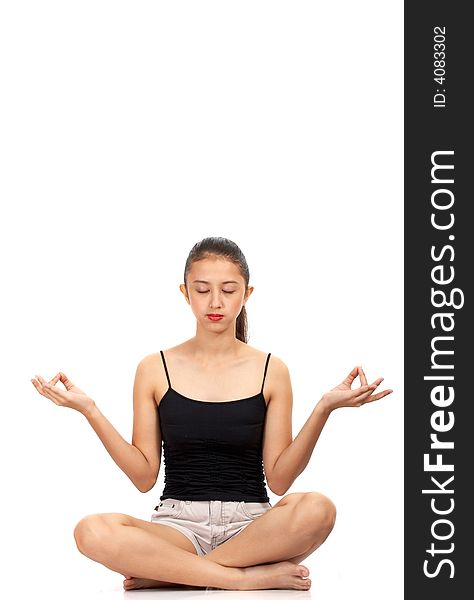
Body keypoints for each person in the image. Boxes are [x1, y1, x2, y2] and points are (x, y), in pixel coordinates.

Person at [31, 236, 393, 592]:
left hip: (252, 528)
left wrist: (324, 409)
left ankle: (174, 574)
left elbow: (279, 481)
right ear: (185, 293)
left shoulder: (272, 370)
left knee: (318, 509)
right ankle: (239, 577)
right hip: (177, 529)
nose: (215, 302)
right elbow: (143, 477)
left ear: (247, 294)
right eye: (202, 290)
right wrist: (90, 411)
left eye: (229, 290)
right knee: (91, 531)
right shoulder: (154, 368)